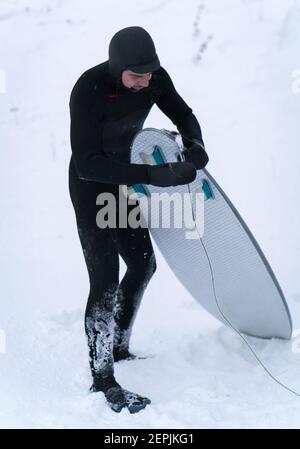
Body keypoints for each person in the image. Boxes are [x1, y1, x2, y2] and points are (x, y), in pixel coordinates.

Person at [68, 26, 209, 414]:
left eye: (149, 75)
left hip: (124, 183)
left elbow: (183, 113)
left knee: (143, 264)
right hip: (92, 186)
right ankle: (102, 378)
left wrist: (195, 144)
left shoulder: (153, 78)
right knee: (105, 281)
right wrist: (151, 177)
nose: (145, 83)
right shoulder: (89, 89)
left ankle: (119, 345)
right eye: (136, 76)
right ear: (117, 68)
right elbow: (86, 163)